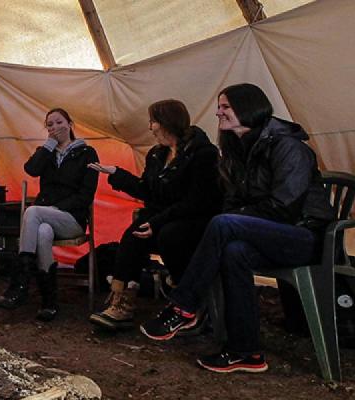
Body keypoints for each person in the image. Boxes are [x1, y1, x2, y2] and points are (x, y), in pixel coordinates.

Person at [139, 83, 333, 374]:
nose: (218, 112)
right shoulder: (239, 151)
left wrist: (237, 217)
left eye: (225, 106)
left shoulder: (288, 147)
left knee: (225, 223)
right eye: (219, 107)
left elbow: (284, 206)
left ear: (249, 106)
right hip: (265, 236)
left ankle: (183, 306)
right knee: (234, 251)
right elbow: (231, 200)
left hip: (303, 237)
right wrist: (237, 216)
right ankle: (246, 352)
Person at [86, 100, 221, 330]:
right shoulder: (157, 155)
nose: (150, 127)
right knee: (132, 235)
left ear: (169, 122)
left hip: (195, 218)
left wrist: (157, 222)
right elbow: (148, 191)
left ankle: (189, 299)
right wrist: (118, 174)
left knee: (170, 235)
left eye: (153, 121)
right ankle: (122, 304)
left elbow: (197, 201)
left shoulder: (203, 153)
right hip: (165, 216)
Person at [0, 108, 99, 322]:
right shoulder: (46, 152)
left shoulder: (87, 154)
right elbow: (31, 169)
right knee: (42, 232)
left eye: (58, 122)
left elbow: (86, 195)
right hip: (44, 219)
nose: (54, 127)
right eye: (49, 125)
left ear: (70, 124)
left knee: (32, 212)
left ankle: (20, 285)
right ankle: (49, 302)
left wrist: (56, 208)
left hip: (72, 219)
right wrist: (48, 146)